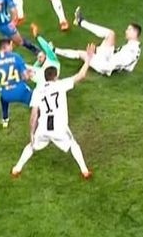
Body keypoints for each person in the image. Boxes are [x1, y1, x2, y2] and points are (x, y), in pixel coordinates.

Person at [11, 44, 96, 179]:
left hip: (43, 127)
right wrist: (88, 59)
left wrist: (32, 133)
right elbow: (81, 75)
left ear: (44, 77)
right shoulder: (61, 85)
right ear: (55, 76)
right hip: (59, 127)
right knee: (73, 144)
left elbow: (34, 115)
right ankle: (84, 170)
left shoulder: (37, 91)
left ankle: (17, 168)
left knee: (32, 146)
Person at [55, 7, 142, 76]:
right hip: (109, 58)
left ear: (135, 33)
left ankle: (55, 50)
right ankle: (80, 21)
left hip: (105, 65)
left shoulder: (132, 50)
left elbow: (119, 64)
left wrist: (95, 55)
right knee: (111, 34)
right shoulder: (134, 46)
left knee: (83, 54)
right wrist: (101, 50)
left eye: (129, 30)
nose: (126, 31)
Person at [0, 38, 33, 128]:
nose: (12, 47)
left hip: (7, 95)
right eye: (11, 45)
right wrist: (30, 74)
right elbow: (26, 77)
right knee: (36, 100)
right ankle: (41, 118)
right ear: (6, 46)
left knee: (3, 97)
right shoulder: (16, 57)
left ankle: (5, 119)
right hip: (21, 92)